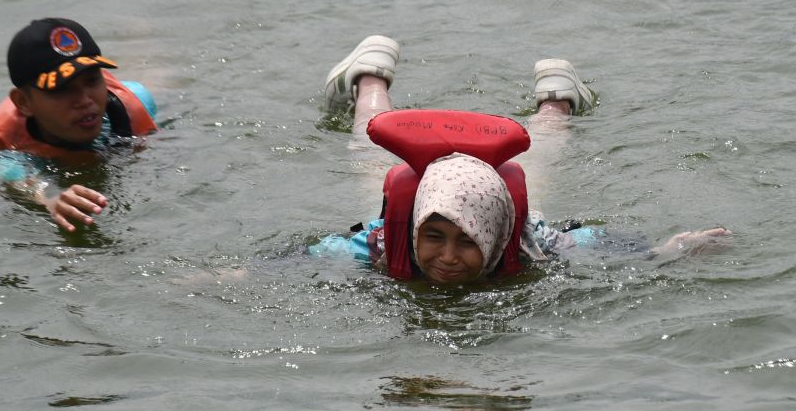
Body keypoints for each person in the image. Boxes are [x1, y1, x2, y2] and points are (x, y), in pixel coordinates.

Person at [310, 35, 730, 286]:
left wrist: (671, 249)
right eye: (434, 237)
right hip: (437, 196)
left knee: (538, 158)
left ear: (493, 236)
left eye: (469, 241)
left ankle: (558, 99)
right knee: (371, 148)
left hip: (485, 199)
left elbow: (608, 247)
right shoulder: (384, 242)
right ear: (417, 228)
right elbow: (309, 256)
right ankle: (369, 76)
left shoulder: (531, 241)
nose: (448, 257)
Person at [0, 17, 158, 231]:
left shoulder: (133, 103)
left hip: (134, 90)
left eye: (91, 80)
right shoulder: (4, 145)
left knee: (159, 80)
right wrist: (51, 196)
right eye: (62, 89)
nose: (85, 100)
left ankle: (144, 42)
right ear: (23, 103)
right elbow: (15, 175)